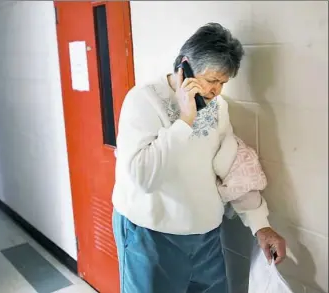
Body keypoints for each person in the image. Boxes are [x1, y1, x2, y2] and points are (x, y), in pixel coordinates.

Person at [112, 23, 287, 293]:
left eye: (223, 83)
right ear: (186, 66)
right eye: (212, 80)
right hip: (152, 236)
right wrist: (185, 120)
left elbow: (231, 168)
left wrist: (260, 224)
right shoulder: (142, 101)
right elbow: (144, 177)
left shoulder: (217, 108)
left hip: (205, 237)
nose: (216, 91)